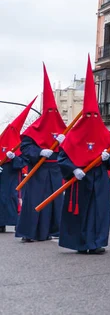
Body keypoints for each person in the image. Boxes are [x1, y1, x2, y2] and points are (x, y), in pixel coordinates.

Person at [58, 56, 110, 254]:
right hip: (80, 178)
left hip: (99, 176)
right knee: (80, 210)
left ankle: (97, 242)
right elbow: (62, 157)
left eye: (94, 115)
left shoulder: (104, 132)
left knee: (99, 210)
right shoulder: (73, 134)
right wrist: (73, 169)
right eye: (88, 116)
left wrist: (109, 158)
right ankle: (80, 243)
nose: (92, 119)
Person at [17, 65, 67, 242]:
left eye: (55, 111)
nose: (53, 115)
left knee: (54, 203)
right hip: (38, 170)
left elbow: (73, 149)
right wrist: (39, 152)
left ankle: (49, 232)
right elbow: (25, 147)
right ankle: (29, 233)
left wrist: (65, 142)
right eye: (49, 111)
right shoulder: (34, 129)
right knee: (34, 201)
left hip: (55, 171)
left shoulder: (63, 129)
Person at [0, 98, 36, 233]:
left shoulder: (19, 145)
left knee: (12, 198)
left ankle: (16, 222)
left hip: (12, 177)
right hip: (1, 175)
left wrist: (14, 157)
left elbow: (23, 163)